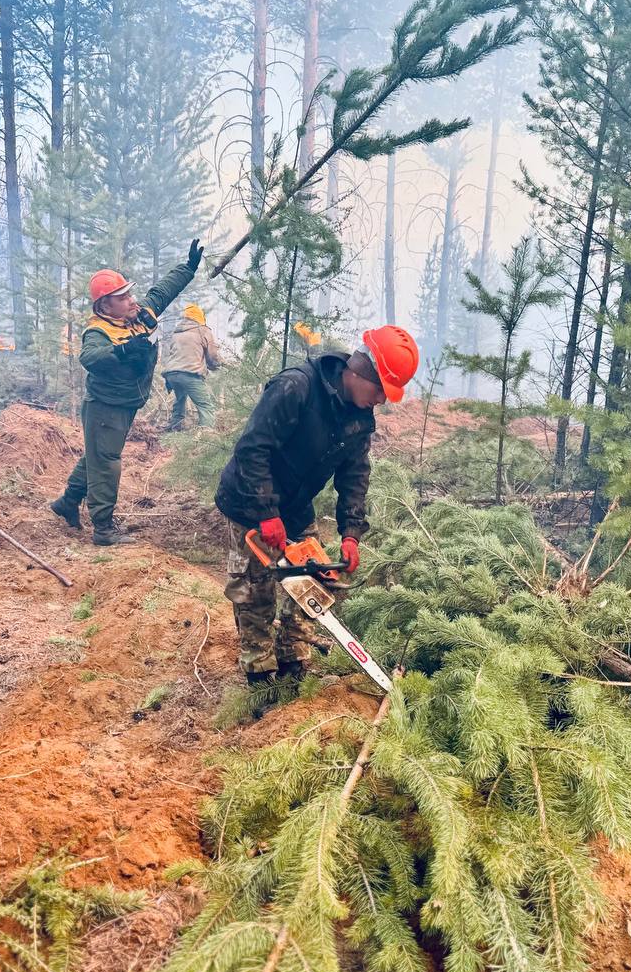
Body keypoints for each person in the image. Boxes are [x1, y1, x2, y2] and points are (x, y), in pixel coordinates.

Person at [214, 325, 420, 683]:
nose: (381, 401)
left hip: (295, 506)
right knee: (255, 589)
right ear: (359, 373)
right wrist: (266, 513)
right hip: (249, 498)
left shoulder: (359, 416)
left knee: (319, 581)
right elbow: (252, 449)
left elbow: (355, 475)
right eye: (381, 390)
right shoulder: (296, 387)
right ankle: (259, 674)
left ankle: (292, 656)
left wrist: (351, 533)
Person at [50, 241, 204, 545]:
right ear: (105, 305)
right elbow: (90, 357)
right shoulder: (98, 332)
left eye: (130, 294)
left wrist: (188, 269)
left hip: (125, 404)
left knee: (97, 454)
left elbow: (162, 291)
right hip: (106, 407)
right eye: (123, 297)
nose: (131, 300)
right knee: (106, 461)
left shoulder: (136, 314)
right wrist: (121, 351)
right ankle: (104, 529)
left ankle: (67, 503)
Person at [160, 302, 221, 431]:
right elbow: (213, 355)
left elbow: (168, 354)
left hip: (171, 374)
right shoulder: (203, 330)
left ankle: (174, 428)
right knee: (205, 405)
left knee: (180, 399)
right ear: (200, 316)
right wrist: (215, 366)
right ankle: (206, 434)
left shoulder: (177, 332)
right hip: (190, 373)